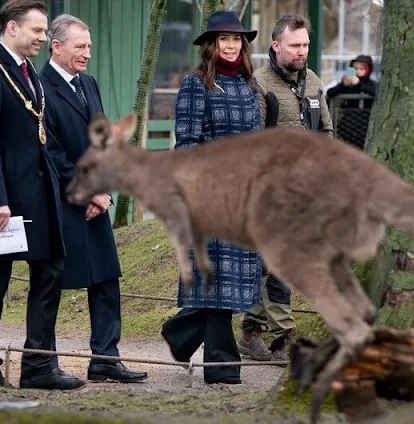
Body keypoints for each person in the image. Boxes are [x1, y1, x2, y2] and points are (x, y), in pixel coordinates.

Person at [0, 0, 83, 390]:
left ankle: (38, 367)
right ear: (12, 29)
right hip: (3, 199)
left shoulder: (29, 70)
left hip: (39, 193)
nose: (42, 37)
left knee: (50, 271)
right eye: (37, 30)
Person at [39, 14, 148, 383]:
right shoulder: (40, 88)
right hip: (63, 202)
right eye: (80, 46)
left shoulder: (89, 83)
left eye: (89, 46)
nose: (87, 53)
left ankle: (105, 358)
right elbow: (51, 152)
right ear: (56, 46)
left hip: (97, 199)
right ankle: (44, 362)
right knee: (51, 284)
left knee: (105, 281)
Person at [160, 10, 263, 385]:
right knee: (218, 280)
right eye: (224, 39)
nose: (232, 46)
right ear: (211, 45)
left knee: (235, 281)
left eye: (237, 40)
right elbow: (187, 143)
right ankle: (222, 366)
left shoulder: (250, 88)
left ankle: (181, 333)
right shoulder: (196, 83)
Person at [238, 13, 334, 363]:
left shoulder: (314, 83)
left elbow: (326, 131)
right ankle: (282, 336)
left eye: (306, 45)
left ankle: (251, 332)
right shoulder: (258, 84)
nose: (301, 51)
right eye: (295, 45)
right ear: (276, 45)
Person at [326, 54, 377, 150]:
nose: (357, 71)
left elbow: (374, 91)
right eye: (355, 68)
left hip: (364, 124)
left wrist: (358, 84)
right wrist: (343, 85)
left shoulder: (371, 83)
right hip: (348, 125)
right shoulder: (348, 84)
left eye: (361, 69)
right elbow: (330, 93)